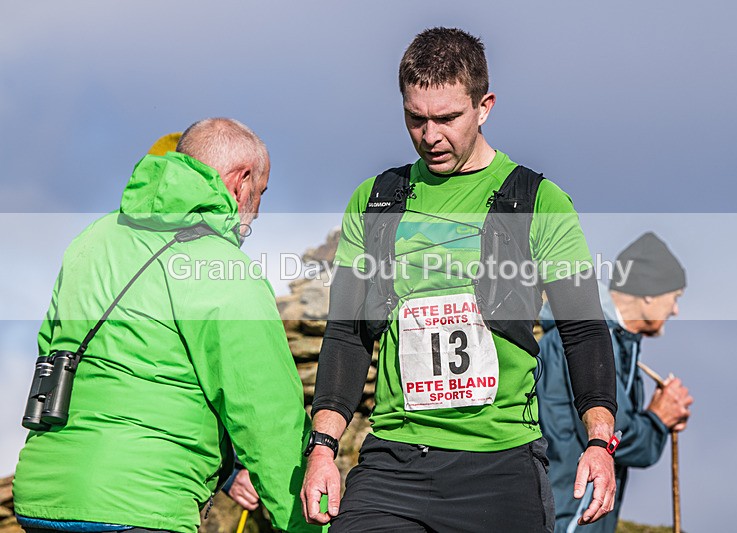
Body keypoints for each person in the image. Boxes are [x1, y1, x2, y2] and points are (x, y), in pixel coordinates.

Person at [301, 28, 620, 532]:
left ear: (484, 106)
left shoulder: (539, 201)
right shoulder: (377, 200)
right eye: (416, 119)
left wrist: (600, 443)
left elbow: (582, 329)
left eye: (447, 118)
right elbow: (349, 333)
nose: (430, 136)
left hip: (501, 470)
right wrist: (322, 450)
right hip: (394, 466)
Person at [13, 118, 319, 533]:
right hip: (141, 505)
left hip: (42, 497)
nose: (258, 211)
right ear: (241, 181)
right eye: (261, 193)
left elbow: (51, 350)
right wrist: (304, 525)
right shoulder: (226, 270)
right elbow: (265, 415)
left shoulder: (93, 238)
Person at [537, 231, 693, 533]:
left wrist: (658, 420)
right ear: (649, 291)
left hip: (577, 513)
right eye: (674, 297)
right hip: (566, 516)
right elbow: (614, 437)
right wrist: (659, 419)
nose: (675, 310)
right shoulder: (589, 341)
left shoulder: (619, 343)